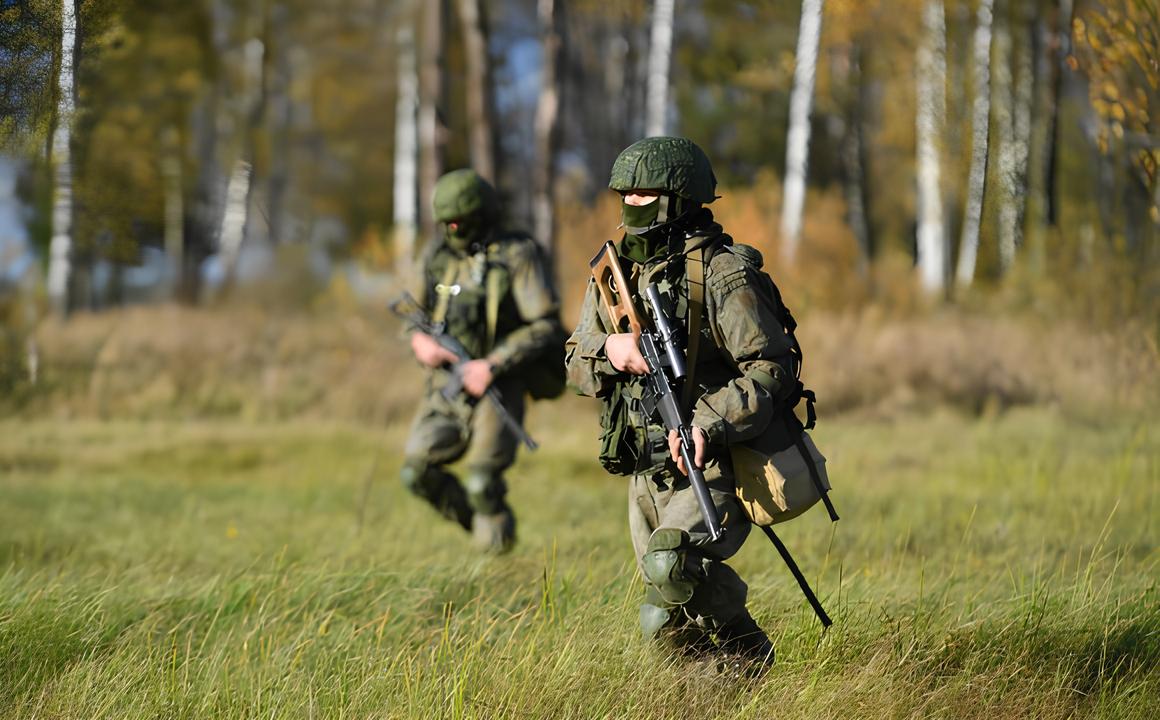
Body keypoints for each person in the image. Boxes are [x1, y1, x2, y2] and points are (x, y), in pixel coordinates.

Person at [565, 137, 803, 671]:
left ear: (679, 198)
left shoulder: (722, 273)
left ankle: (750, 662)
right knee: (669, 622)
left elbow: (771, 368)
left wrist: (708, 424)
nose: (630, 203)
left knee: (670, 569)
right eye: (624, 193)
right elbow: (574, 361)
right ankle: (726, 682)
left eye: (643, 194)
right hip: (645, 464)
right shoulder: (616, 274)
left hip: (711, 458)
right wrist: (611, 351)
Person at [400, 168, 563, 553]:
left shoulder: (516, 254)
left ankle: (496, 560)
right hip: (446, 386)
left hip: (498, 386)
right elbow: (411, 315)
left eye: (460, 222)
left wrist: (492, 364)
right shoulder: (437, 256)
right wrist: (419, 341)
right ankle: (479, 529)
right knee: (416, 472)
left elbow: (545, 325)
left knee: (482, 482)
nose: (453, 230)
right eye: (447, 223)